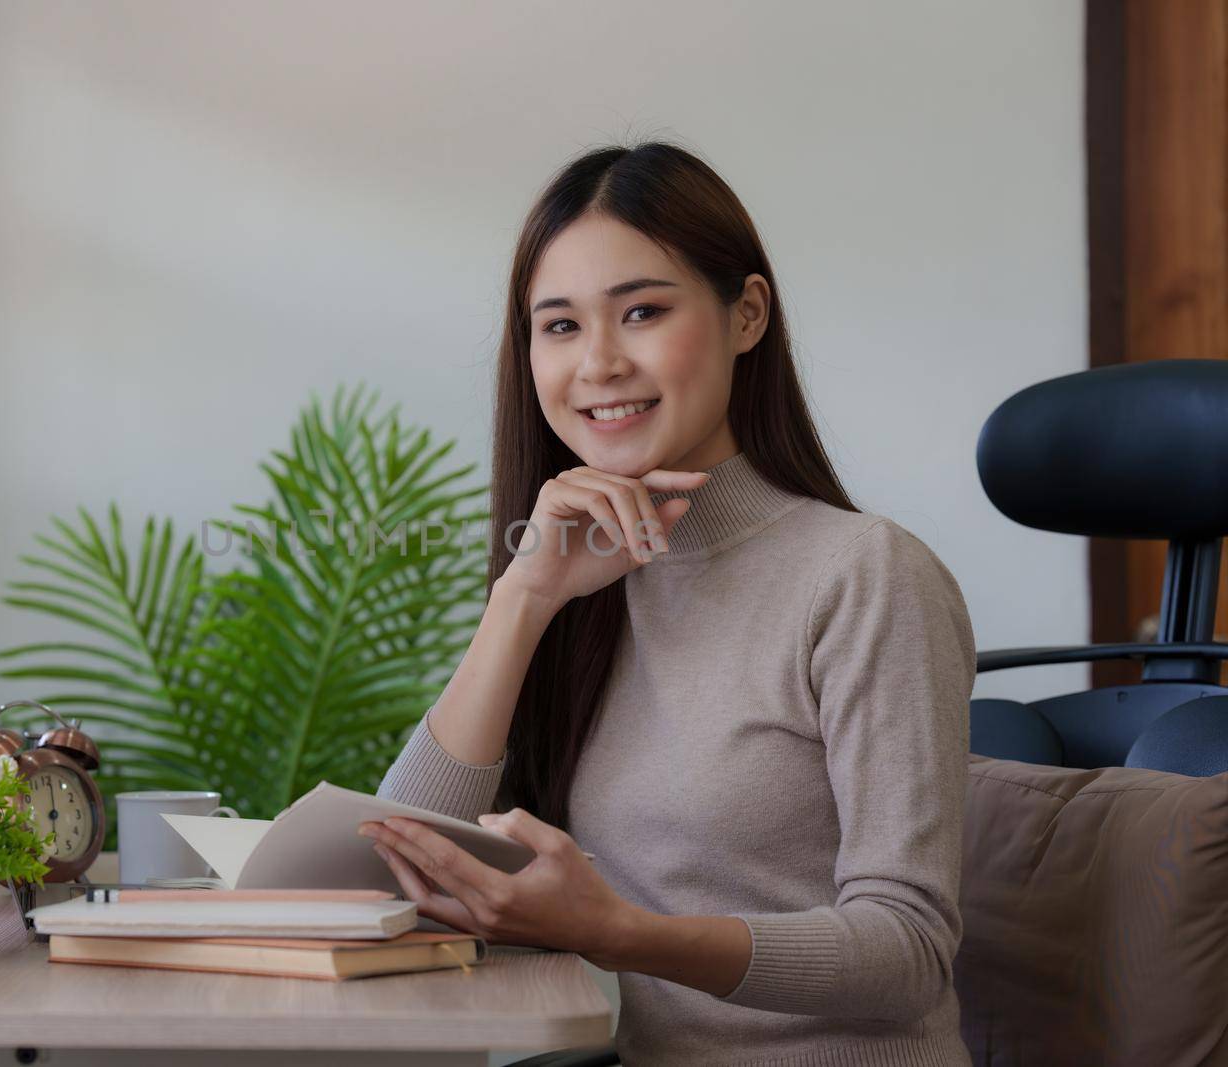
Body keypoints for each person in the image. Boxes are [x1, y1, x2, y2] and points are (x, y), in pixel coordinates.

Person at [359, 141, 975, 1066]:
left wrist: (623, 932)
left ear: (747, 315)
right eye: (559, 326)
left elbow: (908, 948)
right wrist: (523, 598)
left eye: (642, 311)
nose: (600, 363)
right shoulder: (579, 581)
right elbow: (393, 858)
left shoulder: (865, 575)